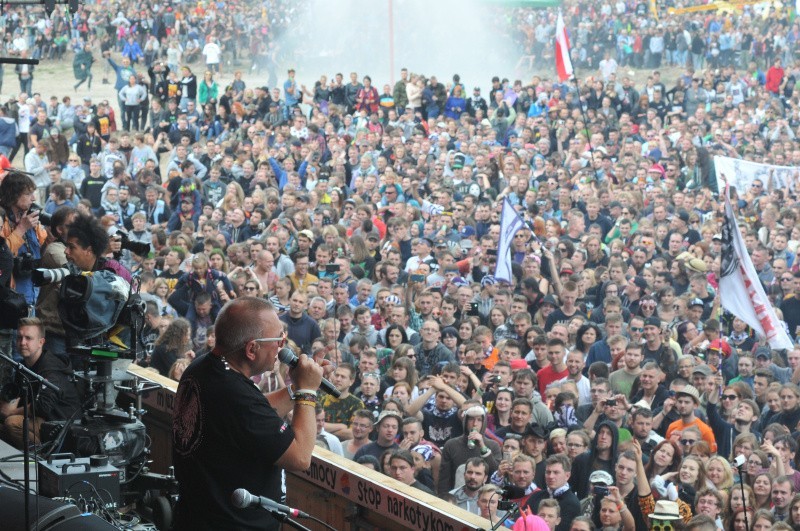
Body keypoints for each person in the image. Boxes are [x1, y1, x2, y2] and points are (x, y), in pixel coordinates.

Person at [171, 297, 324, 530]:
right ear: (252, 349)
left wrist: (298, 387)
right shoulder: (234, 395)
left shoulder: (203, 367)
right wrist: (307, 393)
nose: (282, 347)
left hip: (197, 517)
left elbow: (255, 415)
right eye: (278, 339)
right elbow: (300, 457)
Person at [0, 317, 81, 449]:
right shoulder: (22, 366)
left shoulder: (51, 368)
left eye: (28, 338)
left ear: (41, 342)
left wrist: (10, 412)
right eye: (19, 338)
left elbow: (44, 406)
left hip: (59, 423)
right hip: (40, 419)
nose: (22, 342)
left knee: (12, 422)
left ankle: (39, 457)